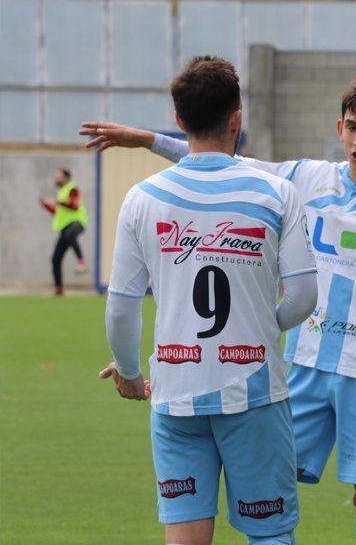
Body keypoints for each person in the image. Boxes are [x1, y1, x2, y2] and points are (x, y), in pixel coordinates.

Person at [82, 77, 356, 545]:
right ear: (339, 128)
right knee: (268, 494)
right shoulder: (305, 178)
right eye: (353, 127)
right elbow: (223, 164)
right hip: (302, 362)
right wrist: (145, 140)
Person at [99, 55, 317, 545]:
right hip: (255, 392)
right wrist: (261, 325)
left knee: (187, 538)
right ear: (237, 118)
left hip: (175, 391)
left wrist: (130, 372)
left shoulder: (141, 198)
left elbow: (121, 306)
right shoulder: (277, 193)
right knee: (269, 535)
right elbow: (303, 297)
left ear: (179, 120)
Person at [39, 167, 88, 295]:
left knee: (70, 235)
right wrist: (46, 205)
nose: (56, 177)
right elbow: (59, 213)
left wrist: (56, 201)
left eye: (58, 175)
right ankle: (59, 289)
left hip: (77, 223)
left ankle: (81, 262)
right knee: (55, 258)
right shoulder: (61, 192)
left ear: (66, 177)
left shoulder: (72, 189)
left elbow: (74, 205)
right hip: (65, 227)